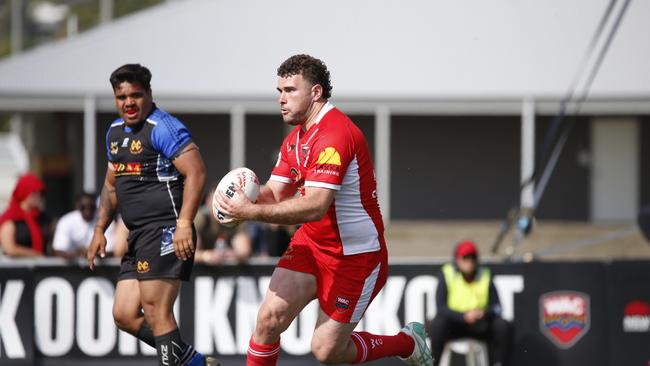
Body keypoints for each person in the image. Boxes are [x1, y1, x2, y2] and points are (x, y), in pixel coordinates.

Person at [214, 54, 432, 366]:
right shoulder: (295, 140)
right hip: (311, 246)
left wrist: (249, 212)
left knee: (326, 351)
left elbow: (315, 206)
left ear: (316, 92)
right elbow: (274, 193)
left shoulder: (335, 134)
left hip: (354, 257)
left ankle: (407, 343)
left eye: (290, 90)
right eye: (279, 91)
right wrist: (236, 197)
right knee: (268, 319)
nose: (281, 99)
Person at [86, 64, 218, 366]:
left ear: (149, 94)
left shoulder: (165, 127)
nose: (128, 103)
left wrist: (185, 223)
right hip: (137, 235)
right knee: (124, 314)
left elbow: (196, 173)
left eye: (135, 95)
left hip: (167, 230)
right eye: (121, 97)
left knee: (157, 312)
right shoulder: (114, 132)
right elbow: (110, 186)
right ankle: (194, 363)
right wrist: (98, 231)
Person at [429, 240, 511, 366]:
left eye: (472, 257)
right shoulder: (447, 274)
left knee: (502, 326)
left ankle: (498, 364)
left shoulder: (485, 275)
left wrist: (483, 312)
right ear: (457, 259)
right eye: (465, 257)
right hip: (454, 324)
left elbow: (498, 308)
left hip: (478, 324)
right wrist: (463, 316)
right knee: (437, 324)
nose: (469, 261)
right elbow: (440, 307)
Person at [194, 185, 253, 264]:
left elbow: (244, 251)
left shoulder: (235, 220)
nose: (220, 205)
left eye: (225, 200)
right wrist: (207, 256)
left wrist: (229, 254)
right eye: (216, 200)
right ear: (208, 201)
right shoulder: (200, 218)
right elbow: (190, 253)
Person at [0, 173, 51, 257]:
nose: (38, 196)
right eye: (34, 193)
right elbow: (9, 249)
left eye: (41, 193)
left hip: (43, 267)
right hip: (18, 268)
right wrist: (36, 255)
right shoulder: (11, 218)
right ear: (23, 192)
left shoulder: (43, 218)